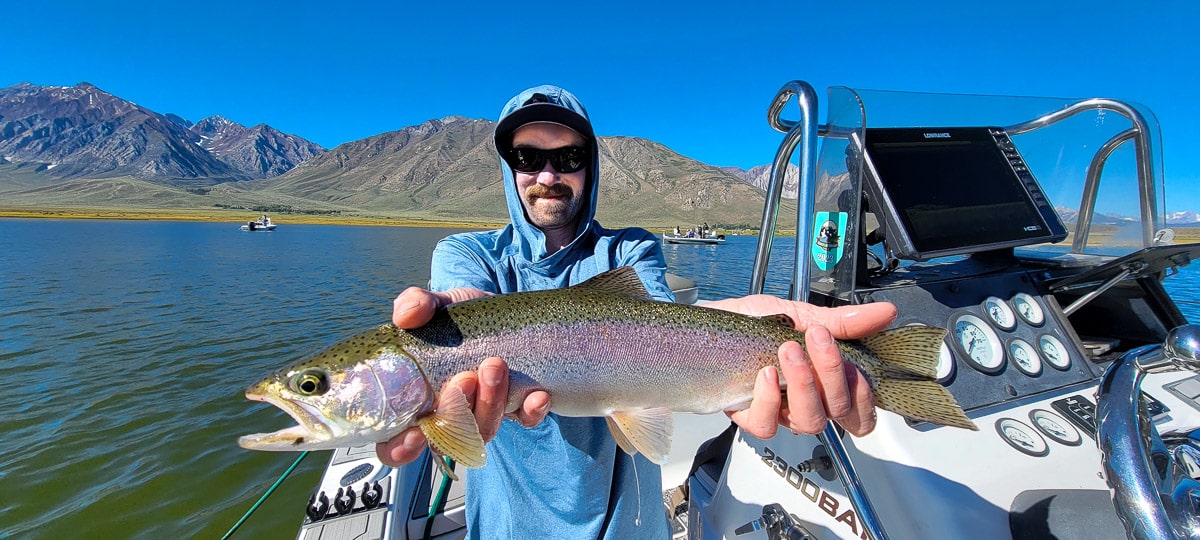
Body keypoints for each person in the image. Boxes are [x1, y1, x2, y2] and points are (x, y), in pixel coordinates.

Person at [376, 84, 897, 539]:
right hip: (514, 519)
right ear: (509, 167)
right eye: (529, 158)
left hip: (631, 518)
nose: (549, 175)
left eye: (570, 158)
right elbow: (460, 303)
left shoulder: (631, 250)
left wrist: (750, 338)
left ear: (591, 164)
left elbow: (660, 326)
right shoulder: (466, 255)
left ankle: (895, 374)